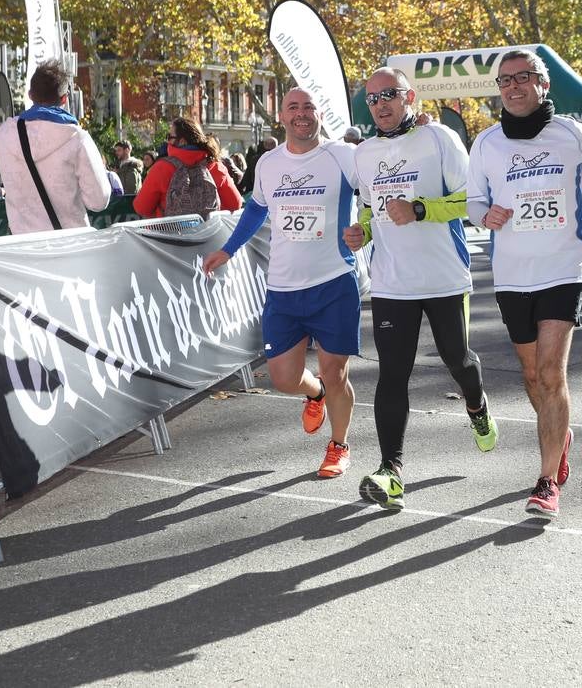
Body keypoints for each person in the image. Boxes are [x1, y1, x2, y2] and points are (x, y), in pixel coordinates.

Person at [466, 48, 582, 518]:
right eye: (505, 80)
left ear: (542, 84)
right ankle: (559, 431)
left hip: (564, 266)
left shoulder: (571, 133)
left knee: (552, 374)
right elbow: (474, 203)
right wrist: (484, 214)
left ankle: (547, 479)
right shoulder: (487, 143)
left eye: (523, 77)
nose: (513, 86)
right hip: (512, 272)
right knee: (532, 376)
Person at [343, 68, 494, 510]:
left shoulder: (440, 139)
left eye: (389, 95)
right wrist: (362, 232)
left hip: (444, 276)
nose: (381, 104)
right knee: (392, 373)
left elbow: (471, 200)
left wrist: (422, 209)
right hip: (392, 281)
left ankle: (477, 404)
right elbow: (372, 209)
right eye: (372, 99)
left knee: (458, 359)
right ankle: (391, 470)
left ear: (409, 96)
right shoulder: (365, 153)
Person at [202, 88, 359, 479]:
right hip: (284, 288)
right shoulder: (269, 163)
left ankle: (339, 445)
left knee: (336, 371)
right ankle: (314, 393)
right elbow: (256, 208)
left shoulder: (343, 156)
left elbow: (380, 184)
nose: (302, 114)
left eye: (309, 107)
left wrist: (365, 230)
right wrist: (229, 249)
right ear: (281, 116)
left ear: (319, 115)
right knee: (284, 378)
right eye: (294, 107)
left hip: (334, 281)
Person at [0, 60, 111, 234]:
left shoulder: (4, 135)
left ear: (30, 95)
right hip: (68, 246)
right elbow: (99, 201)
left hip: (23, 249)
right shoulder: (78, 139)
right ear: (64, 98)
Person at [133, 117, 242, 219]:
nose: (167, 141)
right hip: (206, 235)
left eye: (169, 137)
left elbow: (142, 208)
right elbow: (235, 204)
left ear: (182, 141)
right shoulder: (216, 166)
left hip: (167, 236)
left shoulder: (162, 168)